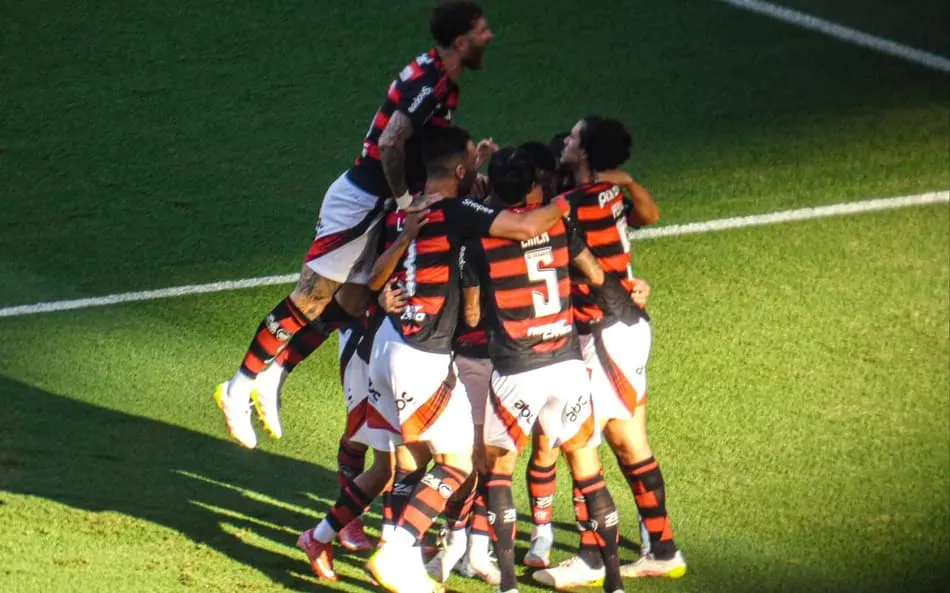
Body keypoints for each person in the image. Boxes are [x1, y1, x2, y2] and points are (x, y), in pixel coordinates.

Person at [213, 1, 494, 449]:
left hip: (378, 201)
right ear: (461, 42)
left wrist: (465, 168)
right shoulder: (434, 82)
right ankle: (239, 384)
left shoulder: (439, 77)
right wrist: (405, 200)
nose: (489, 37)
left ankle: (277, 372)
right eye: (482, 31)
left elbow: (419, 147)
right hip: (361, 199)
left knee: (355, 301)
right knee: (310, 299)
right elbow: (391, 141)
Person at [362, 126, 574, 593]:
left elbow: (374, 278)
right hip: (423, 354)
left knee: (418, 459)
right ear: (460, 171)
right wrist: (566, 201)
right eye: (470, 165)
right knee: (458, 464)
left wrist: (385, 299)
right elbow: (521, 226)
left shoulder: (406, 210)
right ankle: (397, 552)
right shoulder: (456, 212)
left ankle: (407, 557)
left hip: (390, 342)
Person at [462, 144, 639, 593]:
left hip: (516, 367)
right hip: (566, 364)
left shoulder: (480, 237)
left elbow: (469, 317)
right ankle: (615, 582)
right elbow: (594, 274)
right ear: (534, 186)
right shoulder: (559, 225)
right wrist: (625, 304)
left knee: (499, 467)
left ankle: (506, 584)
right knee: (588, 468)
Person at [533, 116, 685, 589]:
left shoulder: (571, 203)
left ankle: (593, 556)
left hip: (605, 331)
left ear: (585, 153)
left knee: (583, 440)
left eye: (574, 136)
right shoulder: (609, 195)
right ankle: (661, 548)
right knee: (628, 440)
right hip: (621, 326)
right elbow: (649, 215)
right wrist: (625, 181)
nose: (567, 139)